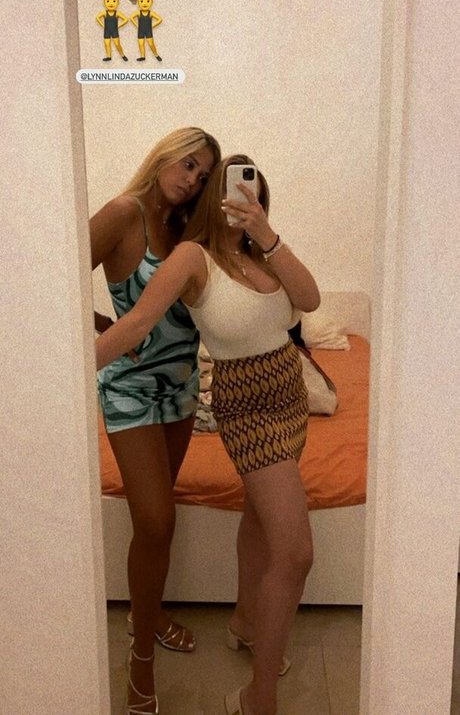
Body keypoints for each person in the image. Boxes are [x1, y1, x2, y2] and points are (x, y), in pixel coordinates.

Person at [95, 154, 320, 715]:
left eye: (254, 191)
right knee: (295, 553)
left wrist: (266, 234)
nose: (243, 198)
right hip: (249, 406)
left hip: (290, 393)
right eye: (231, 188)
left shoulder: (263, 254)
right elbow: (137, 321)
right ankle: (257, 696)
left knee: (259, 518)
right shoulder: (194, 257)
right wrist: (69, 362)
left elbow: (311, 300)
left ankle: (244, 621)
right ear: (211, 198)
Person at [90, 127, 221, 715]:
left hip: (182, 390)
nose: (192, 179)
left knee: (156, 524)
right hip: (130, 390)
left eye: (202, 174)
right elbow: (54, 280)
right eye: (188, 164)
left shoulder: (190, 228)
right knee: (156, 518)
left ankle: (150, 612)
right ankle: (140, 659)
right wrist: (100, 329)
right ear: (166, 154)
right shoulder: (125, 214)